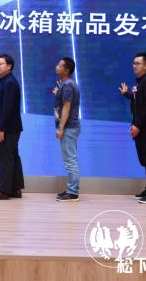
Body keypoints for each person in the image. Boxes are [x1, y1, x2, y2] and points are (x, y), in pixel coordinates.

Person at [119, 52, 146, 204]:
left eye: (138, 63)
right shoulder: (141, 82)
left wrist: (138, 125)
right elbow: (138, 100)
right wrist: (127, 94)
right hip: (140, 127)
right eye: (133, 63)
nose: (134, 66)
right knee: (145, 160)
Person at [0, 53, 24, 200]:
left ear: (9, 66)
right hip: (10, 128)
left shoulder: (10, 83)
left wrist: (1, 129)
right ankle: (15, 189)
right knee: (12, 158)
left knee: (5, 159)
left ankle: (4, 191)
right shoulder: (4, 81)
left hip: (7, 129)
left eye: (0, 64)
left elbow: (8, 108)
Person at [54, 57, 81, 202]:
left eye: (60, 65)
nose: (57, 67)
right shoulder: (67, 84)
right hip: (70, 127)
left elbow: (66, 107)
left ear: (67, 70)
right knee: (70, 160)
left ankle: (73, 192)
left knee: (70, 161)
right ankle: (71, 189)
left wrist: (61, 128)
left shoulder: (68, 85)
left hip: (69, 127)